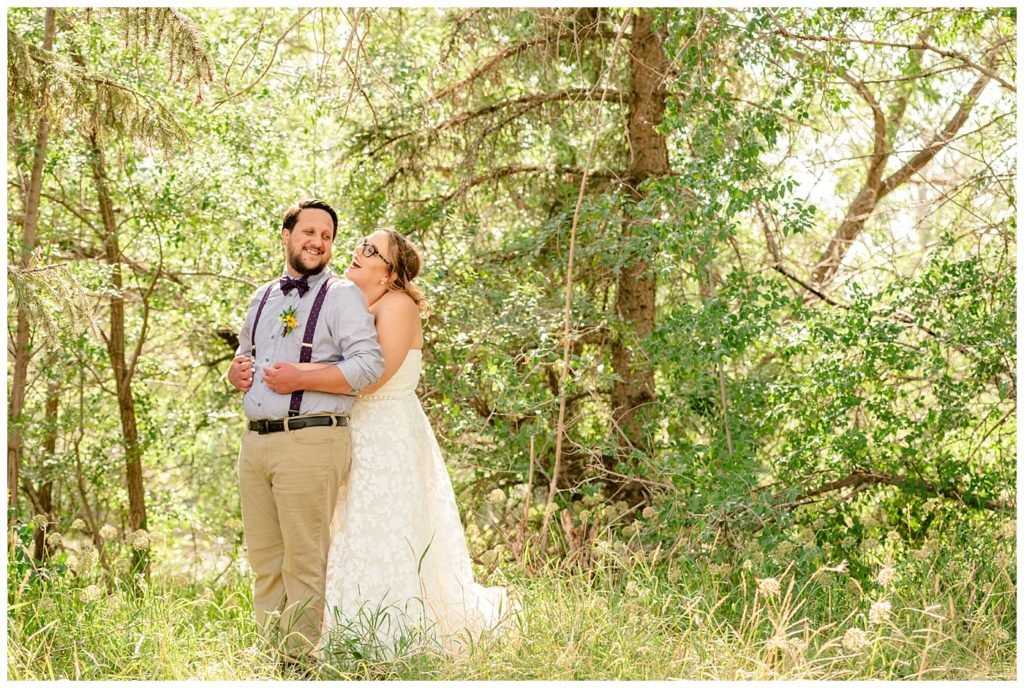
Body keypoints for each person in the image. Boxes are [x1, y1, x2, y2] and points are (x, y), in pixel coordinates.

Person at [267, 229, 511, 656]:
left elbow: (371, 378)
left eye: (371, 250)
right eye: (361, 244)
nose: (358, 253)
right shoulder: (353, 302)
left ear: (390, 274)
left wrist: (301, 378)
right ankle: (338, 631)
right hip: (351, 431)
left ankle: (388, 636)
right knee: (344, 529)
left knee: (382, 527)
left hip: (387, 436)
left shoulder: (398, 306)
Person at [227, 199, 384, 657]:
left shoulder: (341, 295)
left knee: (303, 563)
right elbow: (244, 354)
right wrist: (233, 375)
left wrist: (304, 377)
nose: (318, 242)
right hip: (255, 445)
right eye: (308, 232)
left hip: (312, 438)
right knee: (265, 563)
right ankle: (269, 658)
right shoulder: (261, 296)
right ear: (286, 234)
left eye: (327, 236)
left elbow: (369, 365)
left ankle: (298, 665)